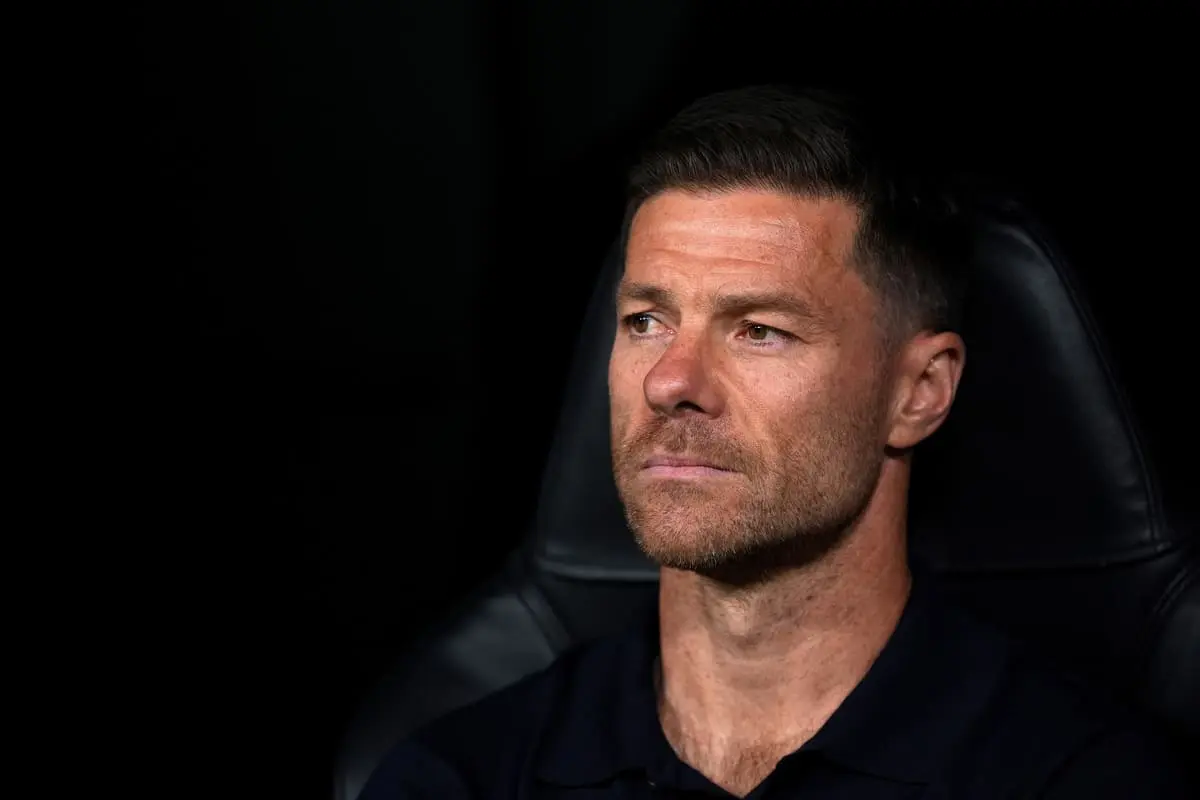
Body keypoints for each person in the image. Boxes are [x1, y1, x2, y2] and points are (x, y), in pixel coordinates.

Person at [359, 86, 1193, 798]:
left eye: (758, 330)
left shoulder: (1079, 776)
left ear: (919, 392)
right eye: (646, 320)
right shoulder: (462, 776)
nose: (670, 380)